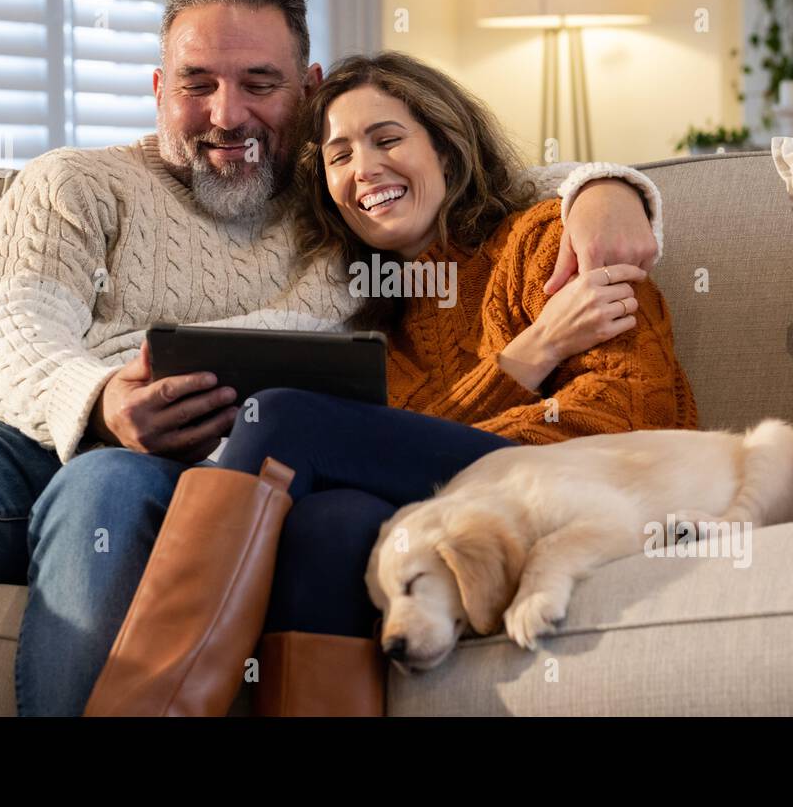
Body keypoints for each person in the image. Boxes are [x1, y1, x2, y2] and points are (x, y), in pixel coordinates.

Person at [0, 0, 662, 716]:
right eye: (198, 83)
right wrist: (102, 399)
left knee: (105, 490)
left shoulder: (339, 211)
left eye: (259, 84)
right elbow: (9, 326)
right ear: (159, 89)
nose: (227, 113)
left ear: (307, 94)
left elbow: (470, 179)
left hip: (194, 469)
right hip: (15, 438)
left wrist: (609, 188)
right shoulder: (75, 183)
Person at [215, 52, 698, 715]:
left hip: (596, 481)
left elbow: (625, 419)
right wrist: (529, 357)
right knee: (333, 522)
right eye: (340, 156)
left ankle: (162, 694)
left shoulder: (545, 243)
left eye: (387, 139)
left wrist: (605, 190)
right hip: (480, 497)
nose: (365, 169)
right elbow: (404, 469)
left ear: (446, 150)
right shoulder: (373, 332)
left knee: (274, 421)